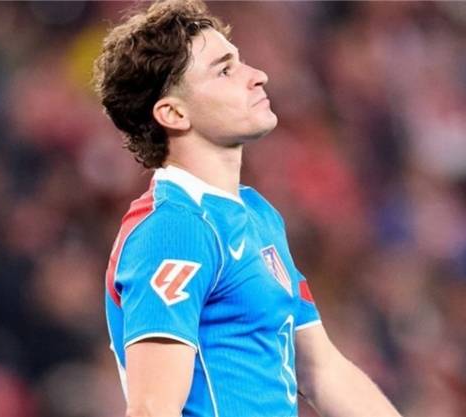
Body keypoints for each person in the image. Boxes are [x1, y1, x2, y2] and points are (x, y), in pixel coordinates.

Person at [93, 1, 402, 416]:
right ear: (174, 113)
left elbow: (320, 369)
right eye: (224, 70)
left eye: (239, 62)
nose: (257, 76)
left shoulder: (257, 214)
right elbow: (152, 409)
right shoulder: (174, 230)